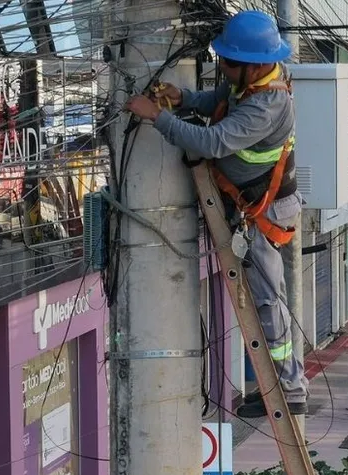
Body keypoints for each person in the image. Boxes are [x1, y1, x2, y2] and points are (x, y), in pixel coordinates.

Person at [125, 10, 308, 417]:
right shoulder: (250, 81)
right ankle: (282, 383)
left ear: (254, 65)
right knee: (265, 299)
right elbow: (219, 101)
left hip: (262, 212)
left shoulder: (267, 104)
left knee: (266, 301)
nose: (221, 66)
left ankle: (291, 388)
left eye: (228, 61)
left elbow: (212, 141)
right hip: (249, 204)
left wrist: (157, 116)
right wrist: (184, 98)